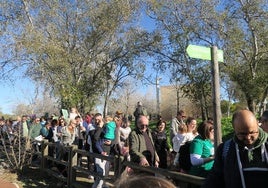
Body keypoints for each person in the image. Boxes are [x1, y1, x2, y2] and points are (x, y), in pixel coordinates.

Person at [203, 109, 268, 188]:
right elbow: (215, 178)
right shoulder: (225, 150)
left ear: (258, 125)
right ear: (234, 129)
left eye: (252, 132)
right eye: (242, 134)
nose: (248, 138)